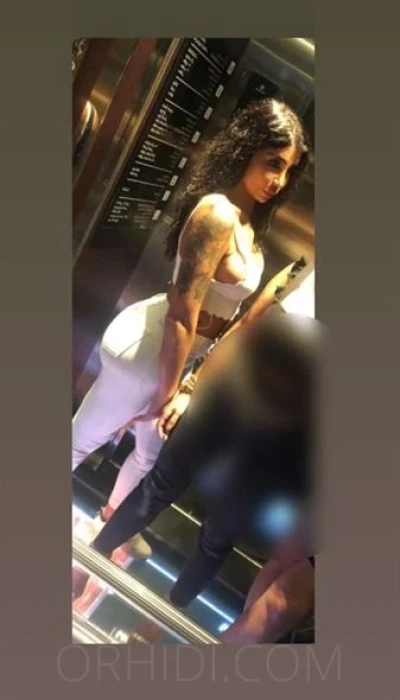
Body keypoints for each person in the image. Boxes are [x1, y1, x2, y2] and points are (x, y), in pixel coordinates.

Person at [72, 97, 311, 558]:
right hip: (154, 348)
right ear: (247, 150)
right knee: (83, 440)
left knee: (148, 455)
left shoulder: (246, 222)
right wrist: (168, 391)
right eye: (272, 163)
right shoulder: (217, 214)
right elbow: (182, 314)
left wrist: (188, 382)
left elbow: (229, 316)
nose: (278, 181)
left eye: (288, 171)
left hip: (180, 356)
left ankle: (99, 539)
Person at [72, 309, 319, 630]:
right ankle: (160, 619)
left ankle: (89, 572)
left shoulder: (295, 311)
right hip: (274, 431)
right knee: (213, 536)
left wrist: (196, 388)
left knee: (160, 490)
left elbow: (246, 329)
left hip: (242, 402)